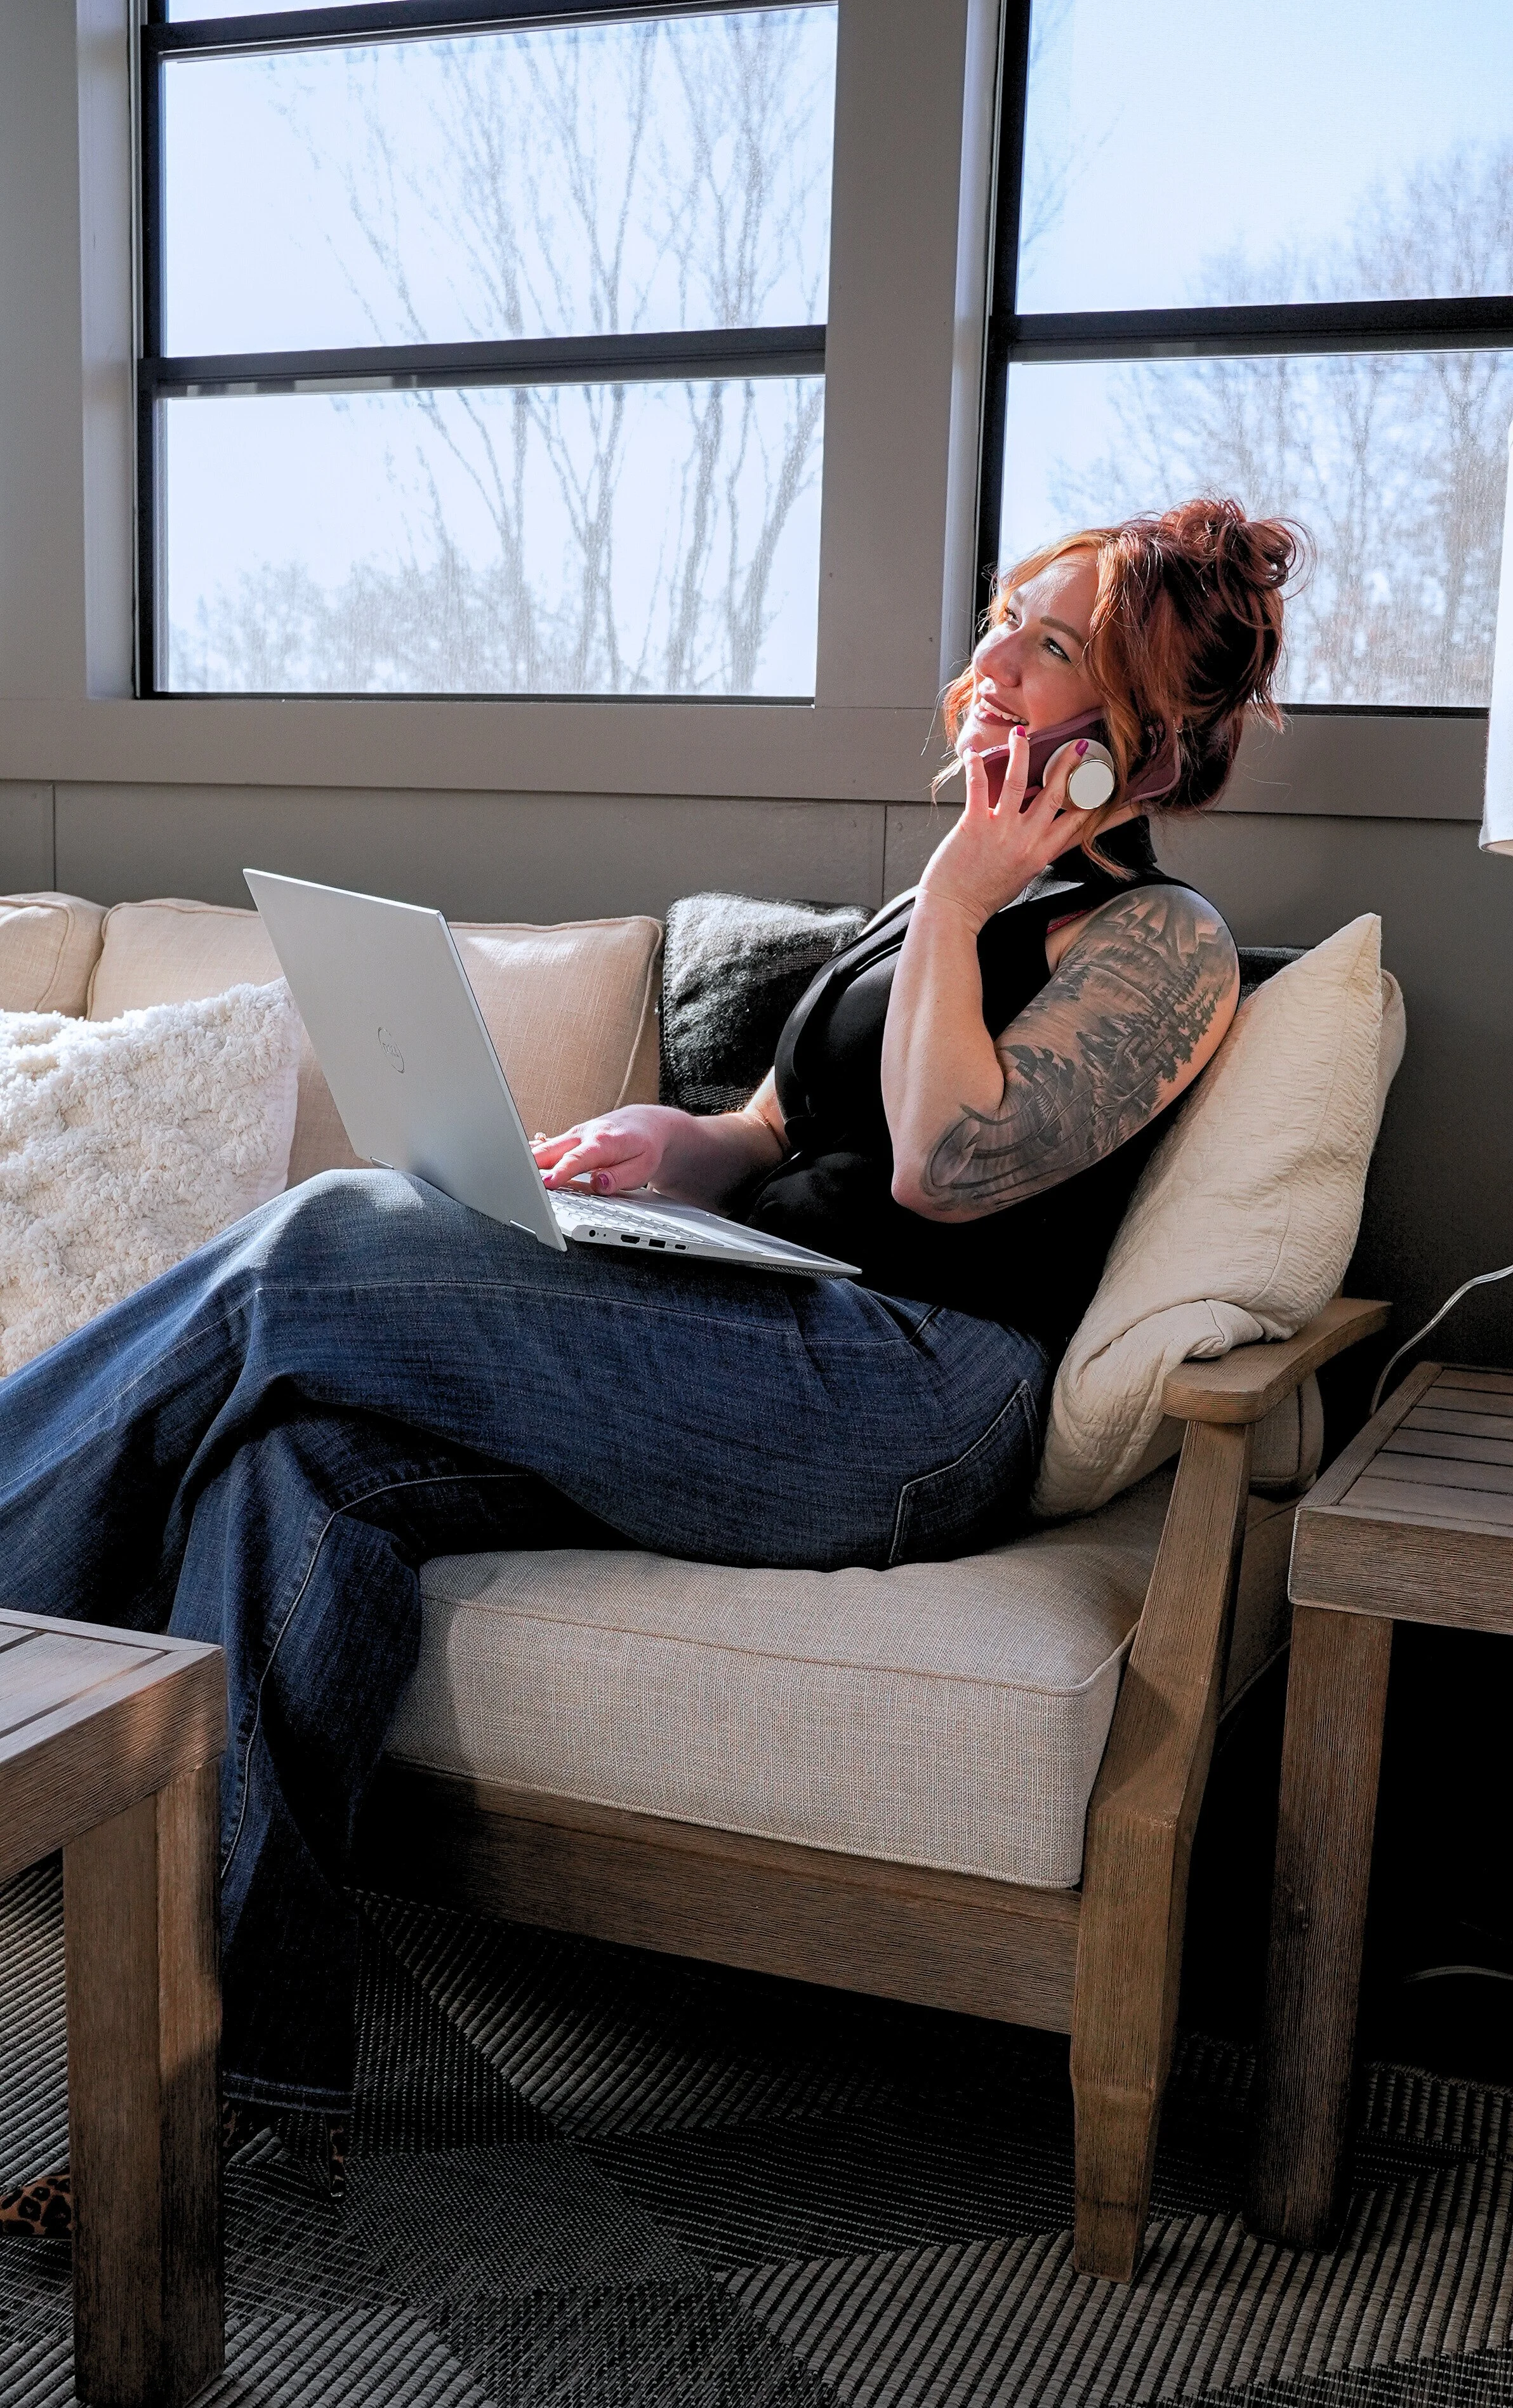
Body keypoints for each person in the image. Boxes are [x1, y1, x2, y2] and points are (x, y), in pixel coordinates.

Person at [0, 496, 1301, 2230]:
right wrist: (669, 1149)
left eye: (1048, 646)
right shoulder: (925, 912)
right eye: (1002, 620)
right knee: (286, 1461)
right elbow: (782, 1132)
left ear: (1138, 732)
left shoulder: (1162, 943)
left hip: (906, 1398)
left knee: (321, 1242)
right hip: (748, 1327)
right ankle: (223, 2093)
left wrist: (967, 895)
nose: (987, 662)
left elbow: (943, 1163)